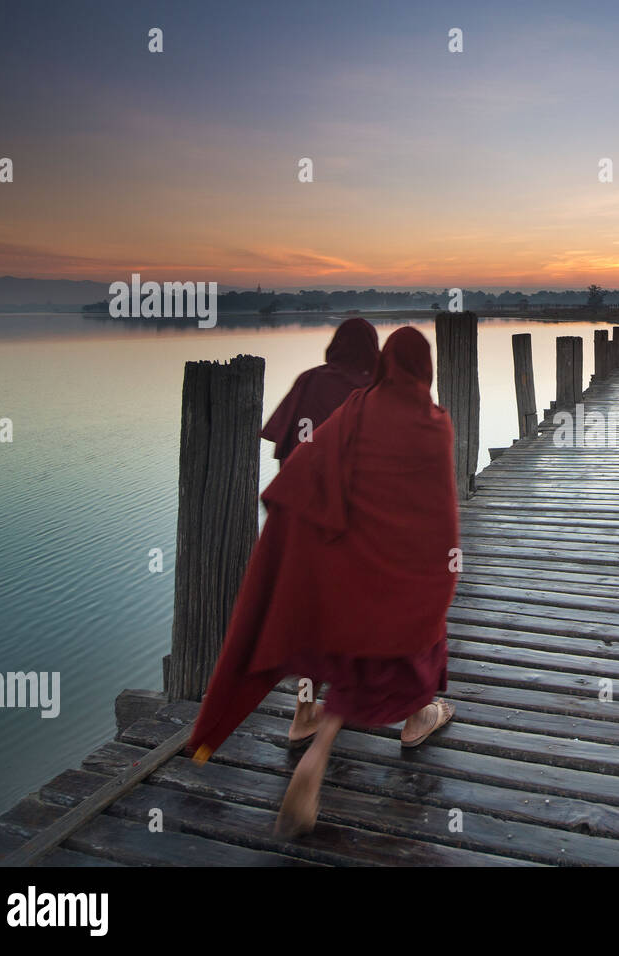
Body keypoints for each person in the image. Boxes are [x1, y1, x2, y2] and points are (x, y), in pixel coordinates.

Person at [186, 326, 460, 839]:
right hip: (385, 551)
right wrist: (440, 572)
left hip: (318, 530)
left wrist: (299, 530)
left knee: (315, 629)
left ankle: (305, 715)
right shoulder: (431, 423)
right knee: (409, 631)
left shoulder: (352, 403)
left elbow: (293, 461)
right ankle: (415, 717)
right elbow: (439, 515)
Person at [259, 317, 380, 746]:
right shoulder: (376, 392)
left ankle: (304, 714)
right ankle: (410, 707)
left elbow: (285, 454)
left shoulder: (309, 381)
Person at [261, 317, 379, 462]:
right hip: (363, 470)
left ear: (336, 344)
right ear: (373, 346)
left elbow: (296, 434)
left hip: (313, 466)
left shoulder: (310, 379)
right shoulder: (383, 385)